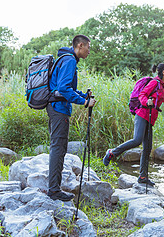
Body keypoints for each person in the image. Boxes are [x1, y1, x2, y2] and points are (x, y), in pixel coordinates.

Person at [103, 63, 164, 186]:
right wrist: (146, 102)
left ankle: (143, 176)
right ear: (163, 72)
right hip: (142, 115)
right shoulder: (154, 83)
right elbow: (142, 95)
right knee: (137, 140)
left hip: (149, 119)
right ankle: (112, 152)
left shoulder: (161, 89)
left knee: (147, 148)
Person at [47, 34, 96, 201]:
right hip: (59, 109)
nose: (89, 51)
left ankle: (54, 187)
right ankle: (54, 190)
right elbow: (64, 89)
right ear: (80, 45)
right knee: (58, 148)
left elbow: (65, 88)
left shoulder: (66, 59)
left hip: (56, 107)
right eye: (88, 47)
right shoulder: (69, 61)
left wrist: (83, 95)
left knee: (58, 147)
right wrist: (84, 102)